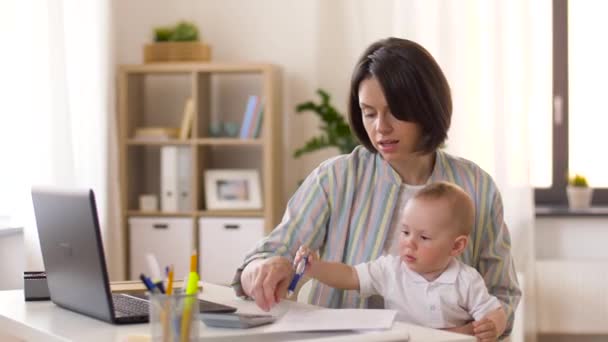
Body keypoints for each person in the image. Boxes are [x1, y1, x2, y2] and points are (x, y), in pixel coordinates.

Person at [231, 37, 521, 337]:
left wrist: (478, 329)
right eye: (369, 113)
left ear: (426, 108)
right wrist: (261, 270)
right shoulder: (335, 178)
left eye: (394, 112)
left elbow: (503, 292)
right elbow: (265, 257)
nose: (380, 127)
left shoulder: (477, 187)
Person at [294, 181, 506, 341]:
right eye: (405, 232)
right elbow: (350, 275)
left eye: (423, 237)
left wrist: (493, 326)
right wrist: (316, 268)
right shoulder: (391, 270)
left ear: (456, 246)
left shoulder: (466, 280)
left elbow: (495, 313)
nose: (409, 243)